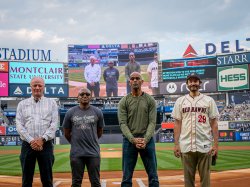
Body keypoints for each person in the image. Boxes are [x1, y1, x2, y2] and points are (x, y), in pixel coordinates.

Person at [172, 72, 219, 187]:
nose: (193, 83)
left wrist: (216, 145)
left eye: (195, 81)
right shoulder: (180, 101)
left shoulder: (209, 100)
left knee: (205, 181)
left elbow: (214, 124)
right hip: (186, 145)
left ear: (200, 83)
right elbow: (177, 124)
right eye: (191, 81)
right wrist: (176, 144)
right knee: (188, 182)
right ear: (187, 84)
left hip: (205, 145)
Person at [118, 72, 159, 187]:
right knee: (126, 178)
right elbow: (122, 123)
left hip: (147, 140)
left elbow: (152, 122)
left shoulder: (150, 100)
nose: (135, 80)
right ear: (129, 82)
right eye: (132, 78)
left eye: (137, 78)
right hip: (129, 141)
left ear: (142, 82)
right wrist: (132, 139)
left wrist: (145, 139)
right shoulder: (124, 101)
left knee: (153, 177)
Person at [16, 76, 58, 187]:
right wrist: (31, 141)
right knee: (26, 179)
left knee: (47, 179)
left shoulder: (52, 103)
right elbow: (19, 125)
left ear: (44, 87)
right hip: (27, 145)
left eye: (40, 85)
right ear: (31, 87)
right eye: (35, 85)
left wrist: (42, 139)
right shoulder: (22, 104)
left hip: (46, 144)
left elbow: (54, 124)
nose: (37, 87)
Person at [63, 87, 105, 187]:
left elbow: (99, 131)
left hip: (93, 153)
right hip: (76, 153)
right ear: (78, 97)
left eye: (87, 94)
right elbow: (66, 132)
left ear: (91, 97)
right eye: (82, 94)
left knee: (95, 182)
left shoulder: (97, 112)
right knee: (76, 182)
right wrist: (75, 142)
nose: (85, 96)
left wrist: (92, 140)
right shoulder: (70, 112)